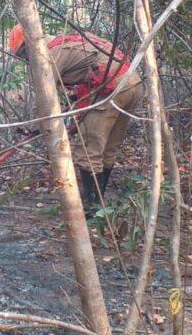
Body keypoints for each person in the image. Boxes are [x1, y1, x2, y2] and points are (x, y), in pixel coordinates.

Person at [8, 23, 143, 214]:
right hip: (132, 83)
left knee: (88, 150)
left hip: (111, 89)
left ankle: (92, 208)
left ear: (30, 44)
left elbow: (45, 98)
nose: (24, 59)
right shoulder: (66, 41)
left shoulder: (51, 54)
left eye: (23, 53)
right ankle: (99, 203)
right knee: (108, 148)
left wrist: (37, 125)